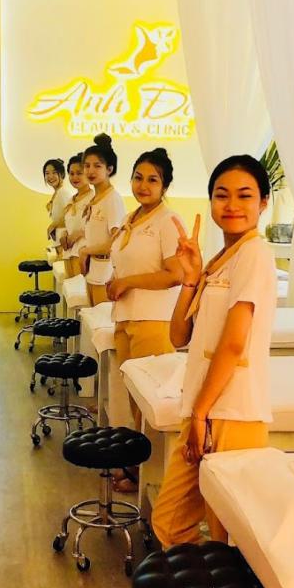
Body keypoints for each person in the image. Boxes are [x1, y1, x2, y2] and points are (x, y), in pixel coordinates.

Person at [151, 155, 276, 588]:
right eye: (222, 194)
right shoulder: (223, 260)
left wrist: (202, 413)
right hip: (203, 410)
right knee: (170, 520)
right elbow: (179, 336)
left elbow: (235, 342)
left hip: (233, 413)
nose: (232, 204)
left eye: (245, 195)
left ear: (264, 203)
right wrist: (189, 279)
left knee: (230, 544)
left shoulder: (256, 255)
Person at [107, 148, 184, 492]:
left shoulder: (168, 221)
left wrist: (128, 282)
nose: (143, 185)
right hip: (126, 316)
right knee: (135, 399)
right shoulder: (132, 217)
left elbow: (175, 274)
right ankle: (139, 467)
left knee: (151, 401)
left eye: (153, 180)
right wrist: (117, 280)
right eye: (138, 177)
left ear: (164, 186)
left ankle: (150, 477)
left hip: (154, 319)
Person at [79, 134, 126, 306]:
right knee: (91, 319)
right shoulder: (96, 199)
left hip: (105, 274)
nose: (90, 171)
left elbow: (116, 243)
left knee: (100, 320)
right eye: (87, 165)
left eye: (97, 166)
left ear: (109, 169)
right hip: (93, 271)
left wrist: (85, 251)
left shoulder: (112, 199)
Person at [61, 153, 93, 278]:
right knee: (70, 287)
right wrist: (64, 234)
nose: (75, 177)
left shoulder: (93, 198)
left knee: (80, 287)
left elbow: (96, 227)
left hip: (83, 252)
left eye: (79, 173)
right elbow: (68, 224)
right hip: (68, 251)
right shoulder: (71, 200)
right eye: (71, 173)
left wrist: (77, 234)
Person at [43, 158, 73, 240]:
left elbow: (71, 218)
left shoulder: (63, 193)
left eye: (54, 172)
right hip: (59, 239)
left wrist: (53, 225)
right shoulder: (57, 193)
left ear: (62, 174)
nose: (50, 176)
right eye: (47, 173)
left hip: (65, 240)